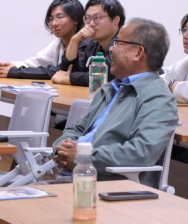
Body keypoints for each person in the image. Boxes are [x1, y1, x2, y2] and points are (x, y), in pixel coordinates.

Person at [53, 18, 178, 186]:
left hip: (107, 186)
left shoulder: (158, 98)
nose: (111, 49)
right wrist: (62, 148)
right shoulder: (111, 88)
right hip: (76, 176)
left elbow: (140, 153)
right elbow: (78, 129)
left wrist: (83, 156)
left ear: (137, 53)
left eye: (118, 43)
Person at [0, 0, 85, 79]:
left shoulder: (86, 44)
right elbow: (37, 61)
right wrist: (11, 66)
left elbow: (60, 71)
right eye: (51, 19)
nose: (54, 23)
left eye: (60, 17)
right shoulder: (58, 44)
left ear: (76, 19)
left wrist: (15, 71)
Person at [51, 0, 125, 86]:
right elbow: (68, 71)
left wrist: (69, 79)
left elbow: (106, 76)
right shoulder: (92, 44)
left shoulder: (124, 44)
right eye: (88, 18)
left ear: (115, 20)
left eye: (96, 18)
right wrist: (74, 40)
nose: (91, 24)